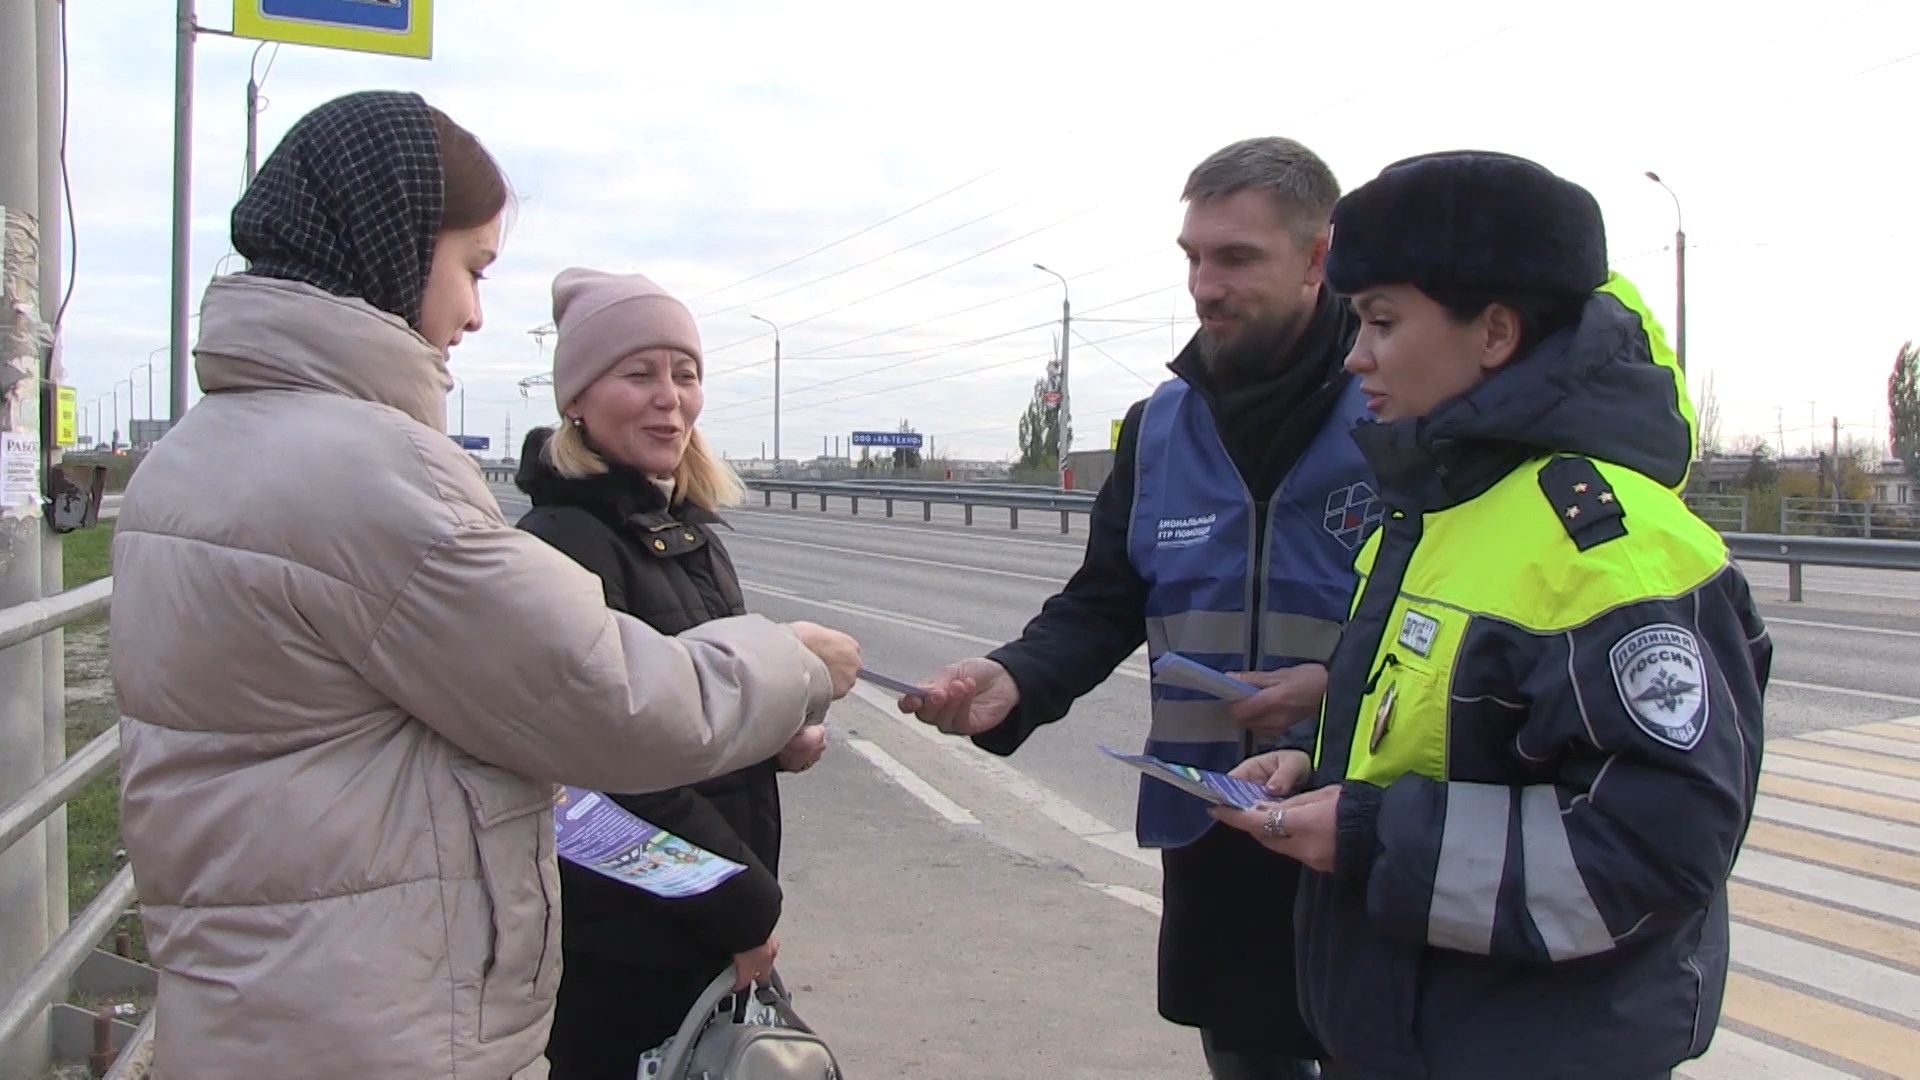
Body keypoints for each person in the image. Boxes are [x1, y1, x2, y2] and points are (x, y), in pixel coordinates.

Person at [109, 91, 861, 1080]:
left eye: (687, 373)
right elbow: (609, 722)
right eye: (470, 267)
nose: (471, 311)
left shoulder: (196, 455)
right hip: (386, 1015)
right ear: (389, 246)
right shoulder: (379, 475)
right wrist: (789, 673)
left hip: (265, 998)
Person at [1209, 151, 1770, 1079]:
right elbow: (1463, 737)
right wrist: (1322, 769)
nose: (1356, 356)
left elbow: (1654, 846)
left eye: (1384, 322)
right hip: (1414, 1030)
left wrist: (1366, 834)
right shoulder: (1441, 504)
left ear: (1497, 333)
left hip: (1534, 1045)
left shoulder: (1609, 549)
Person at [900, 136, 1376, 1079]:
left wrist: (1336, 685)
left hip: (1360, 819)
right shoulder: (1161, 425)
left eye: (1236, 257)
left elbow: (1461, 613)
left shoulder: (1396, 405)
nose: (1204, 286)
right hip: (1215, 828)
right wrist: (1012, 679)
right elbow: (1102, 601)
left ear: (1319, 259)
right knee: (1247, 1059)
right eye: (1193, 257)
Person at [512, 268, 830, 1080]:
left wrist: (776, 736)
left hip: (699, 927)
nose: (670, 399)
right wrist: (744, 906)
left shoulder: (686, 533)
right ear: (576, 399)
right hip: (625, 938)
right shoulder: (561, 541)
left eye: (685, 375)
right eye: (639, 374)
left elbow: (699, 710)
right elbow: (602, 768)